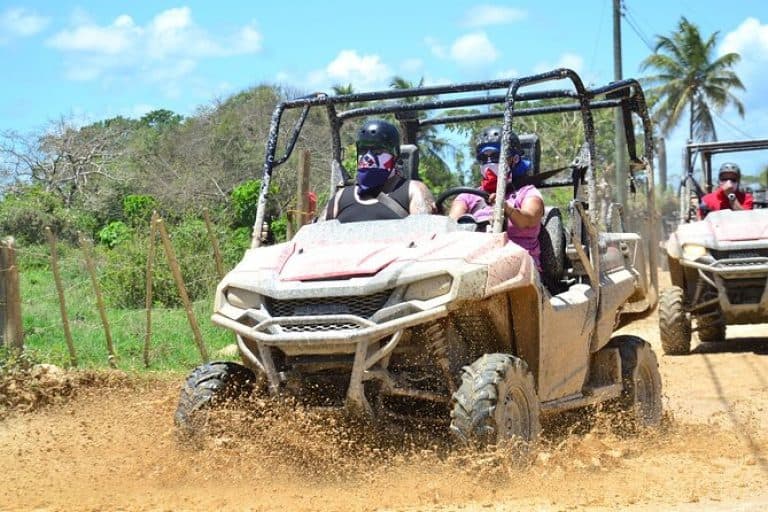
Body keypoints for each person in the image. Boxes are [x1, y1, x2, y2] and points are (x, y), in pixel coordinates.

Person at [449, 126, 545, 268]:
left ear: (514, 159)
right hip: (474, 264)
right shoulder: (468, 196)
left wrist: (506, 208)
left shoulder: (528, 193)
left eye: (495, 156)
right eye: (483, 158)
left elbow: (528, 220)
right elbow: (450, 225)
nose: (489, 162)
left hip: (520, 266)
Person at [323, 119, 435, 222]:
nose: (367, 158)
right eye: (363, 150)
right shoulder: (341, 196)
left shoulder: (413, 190)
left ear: (395, 155)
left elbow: (426, 235)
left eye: (378, 151)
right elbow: (317, 234)